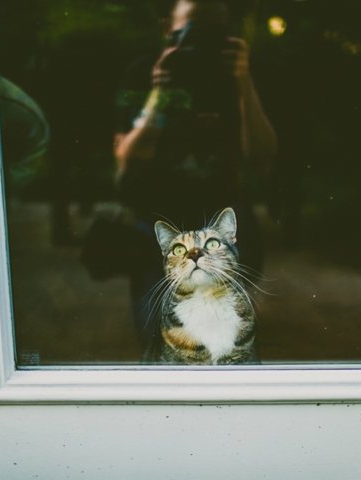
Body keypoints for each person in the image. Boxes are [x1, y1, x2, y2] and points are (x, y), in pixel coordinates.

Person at [112, 0, 277, 342]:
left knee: (224, 339)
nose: (203, 41)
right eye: (193, 29)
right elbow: (127, 165)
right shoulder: (143, 73)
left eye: (216, 30)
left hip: (224, 224)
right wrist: (159, 94)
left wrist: (244, 82)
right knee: (159, 337)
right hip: (157, 228)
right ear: (167, 28)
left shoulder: (242, 73)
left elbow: (262, 160)